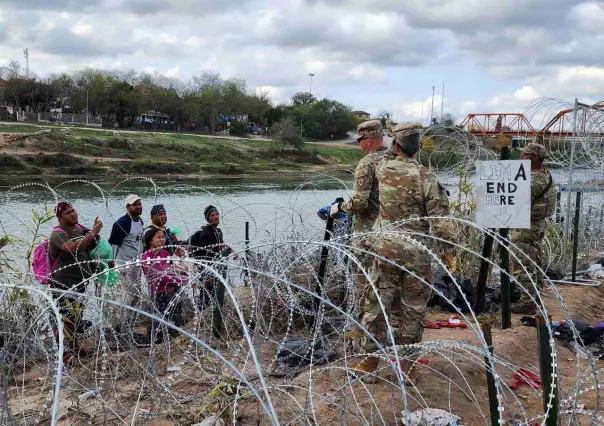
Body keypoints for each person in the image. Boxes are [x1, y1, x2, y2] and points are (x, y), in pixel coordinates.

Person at [353, 122, 457, 384]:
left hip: (384, 250)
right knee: (413, 309)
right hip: (416, 255)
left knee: (377, 304)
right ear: (418, 147)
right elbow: (441, 220)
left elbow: (382, 157)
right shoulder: (426, 177)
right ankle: (407, 366)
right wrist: (448, 251)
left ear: (395, 145)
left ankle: (370, 361)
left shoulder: (382, 168)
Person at [329, 119, 388, 343]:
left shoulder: (368, 162)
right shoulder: (396, 160)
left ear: (370, 140)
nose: (360, 145)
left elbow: (360, 202)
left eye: (361, 140)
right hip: (393, 235)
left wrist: (340, 207)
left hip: (368, 235)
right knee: (387, 287)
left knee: (365, 288)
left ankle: (366, 339)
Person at [48, 201, 102, 363]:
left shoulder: (79, 229)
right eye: (68, 213)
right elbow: (73, 248)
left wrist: (93, 234)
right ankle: (63, 354)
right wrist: (92, 233)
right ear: (60, 217)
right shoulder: (57, 234)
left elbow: (91, 244)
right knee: (63, 318)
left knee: (75, 317)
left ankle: (74, 348)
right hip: (63, 283)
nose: (73, 214)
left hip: (80, 281)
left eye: (73, 210)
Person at [510, 142, 556, 314]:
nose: (522, 157)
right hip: (536, 224)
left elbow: (515, 200)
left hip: (526, 225)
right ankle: (534, 297)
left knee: (523, 261)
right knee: (533, 259)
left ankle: (527, 302)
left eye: (525, 155)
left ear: (534, 158)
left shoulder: (532, 180)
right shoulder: (546, 175)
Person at [141, 228, 186, 341]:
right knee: (160, 326)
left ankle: (174, 343)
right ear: (150, 240)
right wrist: (179, 280)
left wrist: (182, 272)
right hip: (159, 294)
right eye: (158, 237)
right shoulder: (146, 258)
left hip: (172, 291)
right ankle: (157, 345)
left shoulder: (165, 253)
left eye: (163, 237)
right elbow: (157, 277)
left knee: (175, 321)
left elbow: (169, 270)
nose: (162, 239)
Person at [108, 194, 144, 336]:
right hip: (126, 265)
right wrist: (113, 262)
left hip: (136, 263)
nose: (139, 206)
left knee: (136, 295)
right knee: (129, 296)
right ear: (128, 207)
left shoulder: (139, 221)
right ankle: (123, 328)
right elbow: (114, 245)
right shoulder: (121, 223)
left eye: (140, 204)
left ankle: (129, 325)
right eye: (135, 204)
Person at [189, 205, 237, 308]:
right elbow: (205, 256)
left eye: (216, 214)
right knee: (207, 296)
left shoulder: (218, 232)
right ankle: (204, 317)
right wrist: (208, 275)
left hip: (216, 268)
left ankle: (210, 315)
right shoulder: (206, 234)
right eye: (212, 215)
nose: (215, 217)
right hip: (208, 271)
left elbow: (220, 246)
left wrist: (231, 250)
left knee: (213, 295)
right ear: (208, 218)